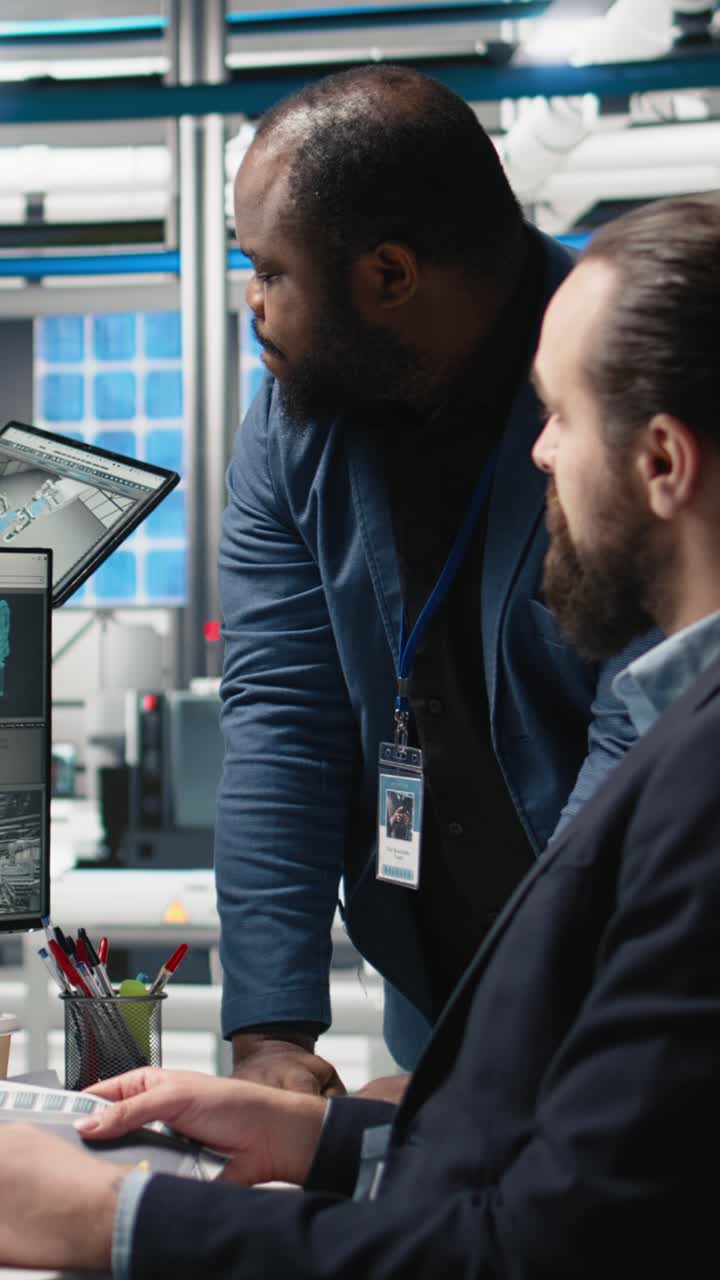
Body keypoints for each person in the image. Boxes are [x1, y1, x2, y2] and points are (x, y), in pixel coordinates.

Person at [1, 189, 719, 1279]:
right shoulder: (298, 416)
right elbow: (281, 711)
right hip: (470, 1024)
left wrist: (112, 1222)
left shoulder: (688, 794)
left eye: (560, 414)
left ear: (664, 461)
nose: (542, 451)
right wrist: (319, 1113)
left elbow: (543, 1245)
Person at [215, 61, 658, 1093]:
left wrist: (494, 1067)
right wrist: (273, 1031)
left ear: (389, 276)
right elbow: (284, 710)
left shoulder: (621, 382)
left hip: (626, 984)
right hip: (438, 992)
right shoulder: (294, 420)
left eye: (271, 271)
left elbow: (642, 726)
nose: (253, 303)